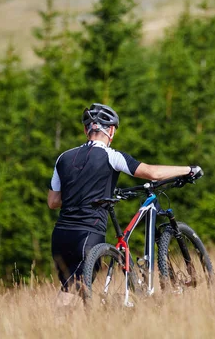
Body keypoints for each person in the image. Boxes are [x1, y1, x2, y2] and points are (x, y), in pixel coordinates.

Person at [47, 103, 202, 302]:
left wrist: (80, 193)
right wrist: (188, 170)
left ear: (87, 129)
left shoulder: (63, 158)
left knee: (70, 289)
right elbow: (153, 173)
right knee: (74, 293)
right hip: (88, 233)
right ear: (110, 130)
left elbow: (53, 201)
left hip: (60, 235)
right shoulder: (111, 156)